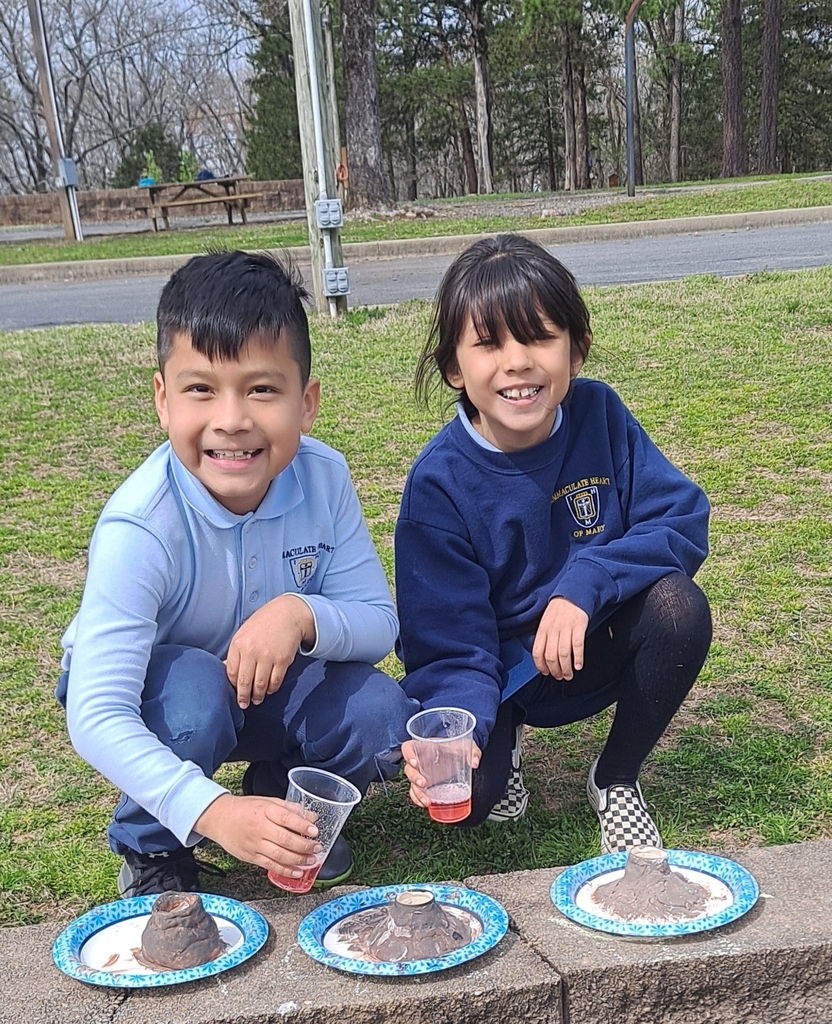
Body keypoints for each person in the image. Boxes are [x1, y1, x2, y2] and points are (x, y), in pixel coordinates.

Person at [58, 250, 417, 896]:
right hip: (166, 694)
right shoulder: (141, 523)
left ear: (305, 404)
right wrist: (213, 813)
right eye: (201, 389)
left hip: (268, 684)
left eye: (261, 388)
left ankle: (284, 807)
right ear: (163, 400)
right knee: (196, 696)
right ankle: (155, 846)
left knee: (379, 714)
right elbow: (95, 711)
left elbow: (378, 623)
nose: (231, 419)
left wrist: (299, 614)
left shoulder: (323, 476)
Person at [395, 234, 712, 852]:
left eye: (539, 337)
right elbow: (448, 641)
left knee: (680, 607)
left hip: (592, 644)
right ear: (454, 366)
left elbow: (681, 518)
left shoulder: (600, 414)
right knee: (471, 803)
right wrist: (464, 730)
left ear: (576, 348)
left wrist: (585, 585)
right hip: (498, 669)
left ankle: (616, 777)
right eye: (489, 343)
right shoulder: (437, 484)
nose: (517, 362)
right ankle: (503, 741)